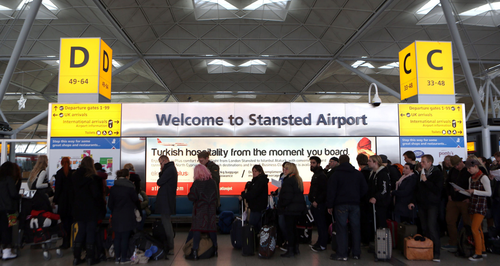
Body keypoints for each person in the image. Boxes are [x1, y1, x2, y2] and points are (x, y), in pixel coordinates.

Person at [327, 155, 368, 261]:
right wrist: (357, 197)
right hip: (355, 204)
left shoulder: (336, 175)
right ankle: (356, 253)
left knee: (342, 229)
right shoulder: (357, 174)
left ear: (339, 162)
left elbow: (331, 191)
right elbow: (364, 189)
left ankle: (342, 254)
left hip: (340, 205)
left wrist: (330, 205)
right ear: (349, 161)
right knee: (355, 228)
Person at [72, 156, 106, 266]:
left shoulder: (74, 177)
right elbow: (97, 196)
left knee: (80, 231)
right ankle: (90, 258)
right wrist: (102, 209)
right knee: (90, 232)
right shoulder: (94, 178)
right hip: (92, 209)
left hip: (78, 209)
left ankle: (76, 258)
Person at [408, 154, 442, 262]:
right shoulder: (421, 173)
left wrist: (426, 181)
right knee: (424, 227)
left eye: (423, 161)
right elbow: (417, 189)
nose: (421, 163)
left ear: (429, 162)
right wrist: (413, 201)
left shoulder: (436, 173)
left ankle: (436, 252)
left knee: (432, 227)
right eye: (421, 161)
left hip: (432, 204)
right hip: (422, 203)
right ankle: (427, 249)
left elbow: (437, 189)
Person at [186, 164, 218, 260]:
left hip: (200, 210)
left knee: (197, 229)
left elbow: (192, 197)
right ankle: (215, 249)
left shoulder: (197, 183)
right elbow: (216, 195)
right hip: (211, 210)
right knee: (211, 229)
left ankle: (195, 251)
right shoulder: (212, 182)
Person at [108, 169, 139, 264]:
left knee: (117, 237)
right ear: (127, 177)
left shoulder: (113, 188)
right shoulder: (130, 188)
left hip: (117, 215)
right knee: (125, 238)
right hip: (127, 215)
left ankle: (117, 258)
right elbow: (136, 201)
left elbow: (110, 204)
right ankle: (124, 258)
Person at [442, 155, 471, 252]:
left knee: (467, 223)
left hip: (464, 200)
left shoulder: (468, 171)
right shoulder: (452, 171)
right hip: (453, 200)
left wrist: (469, 198)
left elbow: (472, 185)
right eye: (454, 166)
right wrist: (449, 194)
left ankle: (468, 243)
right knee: (450, 221)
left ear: (461, 162)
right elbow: (448, 183)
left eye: (458, 165)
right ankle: (453, 242)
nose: (457, 167)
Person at [277, 162, 307, 258]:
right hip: (297, 209)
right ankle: (295, 248)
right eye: (284, 168)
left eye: (286, 169)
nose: (284, 170)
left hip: (290, 209)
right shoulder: (297, 179)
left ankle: (290, 250)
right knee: (294, 229)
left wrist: (282, 205)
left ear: (291, 170)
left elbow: (288, 197)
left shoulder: (288, 181)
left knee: (290, 230)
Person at [465, 158, 492, 261]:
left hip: (481, 206)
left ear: (475, 166)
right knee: (479, 228)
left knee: (475, 228)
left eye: (469, 168)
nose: (468, 170)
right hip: (473, 204)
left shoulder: (484, 177)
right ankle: (483, 249)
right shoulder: (471, 178)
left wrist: (474, 191)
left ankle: (478, 252)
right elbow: (470, 192)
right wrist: (463, 191)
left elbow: (489, 193)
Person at [156, 155, 178, 255]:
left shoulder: (169, 170)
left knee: (166, 223)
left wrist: (161, 170)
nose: (160, 165)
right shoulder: (170, 169)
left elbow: (159, 182)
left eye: (161, 163)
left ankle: (170, 246)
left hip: (166, 201)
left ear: (164, 161)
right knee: (166, 221)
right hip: (167, 199)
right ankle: (169, 245)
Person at [53, 157, 75, 249]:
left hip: (63, 202)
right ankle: (72, 241)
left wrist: (55, 200)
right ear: (69, 163)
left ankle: (65, 242)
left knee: (64, 223)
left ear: (61, 163)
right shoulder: (73, 173)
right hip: (72, 201)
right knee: (71, 223)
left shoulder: (59, 173)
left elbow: (58, 189)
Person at [239, 165, 268, 233]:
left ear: (260, 172)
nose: (254, 173)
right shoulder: (256, 181)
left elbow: (254, 192)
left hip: (257, 206)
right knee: (257, 226)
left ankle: (253, 241)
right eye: (253, 171)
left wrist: (244, 196)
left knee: (252, 225)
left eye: (256, 171)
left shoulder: (260, 181)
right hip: (255, 206)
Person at [0, 162, 20, 260]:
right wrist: (20, 196)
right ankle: (7, 251)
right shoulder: (9, 179)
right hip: (9, 209)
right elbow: (13, 194)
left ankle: (1, 251)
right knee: (8, 230)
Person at [308, 156, 328, 252]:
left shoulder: (321, 175)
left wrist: (317, 201)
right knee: (319, 225)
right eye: (311, 163)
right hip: (315, 203)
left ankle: (322, 244)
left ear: (318, 164)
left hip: (319, 204)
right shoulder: (316, 174)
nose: (311, 165)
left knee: (321, 225)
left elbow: (324, 191)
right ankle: (319, 242)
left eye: (313, 163)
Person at [366, 155, 391, 230]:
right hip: (375, 203)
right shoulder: (373, 173)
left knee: (381, 221)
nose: (368, 163)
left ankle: (382, 239)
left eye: (370, 161)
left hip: (381, 203)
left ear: (375, 162)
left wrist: (376, 197)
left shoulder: (382, 174)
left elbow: (384, 189)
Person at [357, 153, 372, 246]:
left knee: (363, 221)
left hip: (362, 201)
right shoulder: (372, 172)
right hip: (371, 200)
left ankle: (364, 240)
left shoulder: (361, 174)